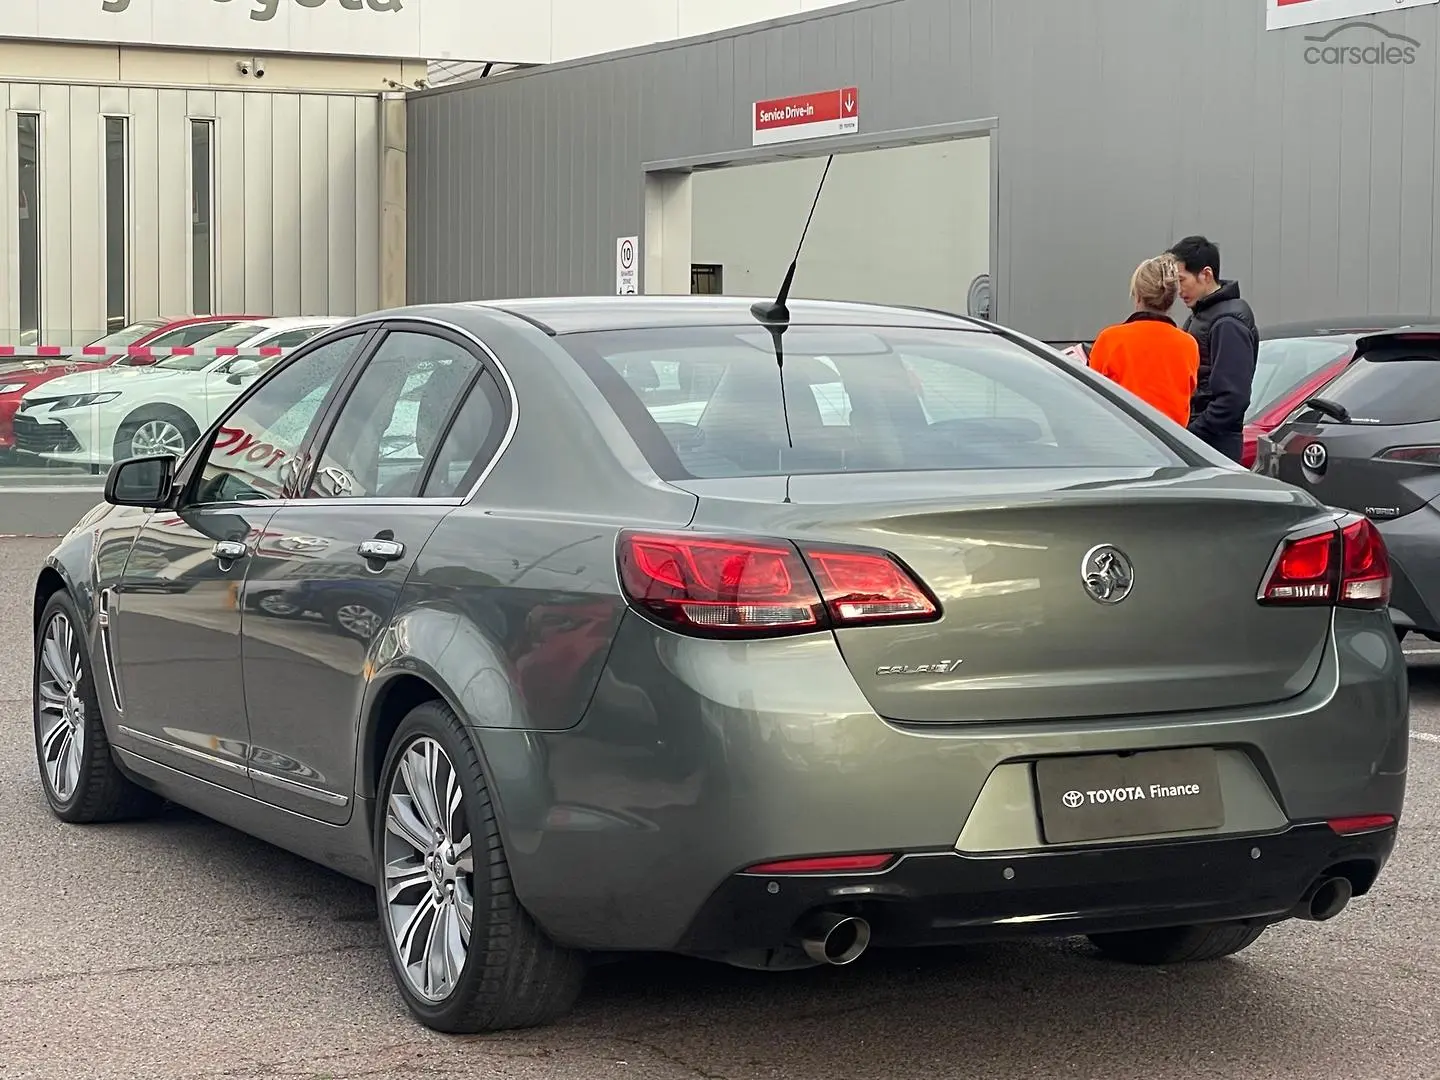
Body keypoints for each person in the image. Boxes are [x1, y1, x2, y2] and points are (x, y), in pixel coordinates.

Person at [1166, 235, 1259, 462]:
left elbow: (1232, 398)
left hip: (1213, 447)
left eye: (1182, 280)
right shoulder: (1202, 315)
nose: (1178, 290)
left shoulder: (1227, 322)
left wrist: (1190, 436)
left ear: (1206, 274)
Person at [1087, 253, 1198, 427]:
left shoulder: (1110, 339)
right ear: (1170, 299)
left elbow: (1091, 399)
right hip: (1170, 446)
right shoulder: (1188, 345)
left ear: (1138, 296)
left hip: (1121, 440)